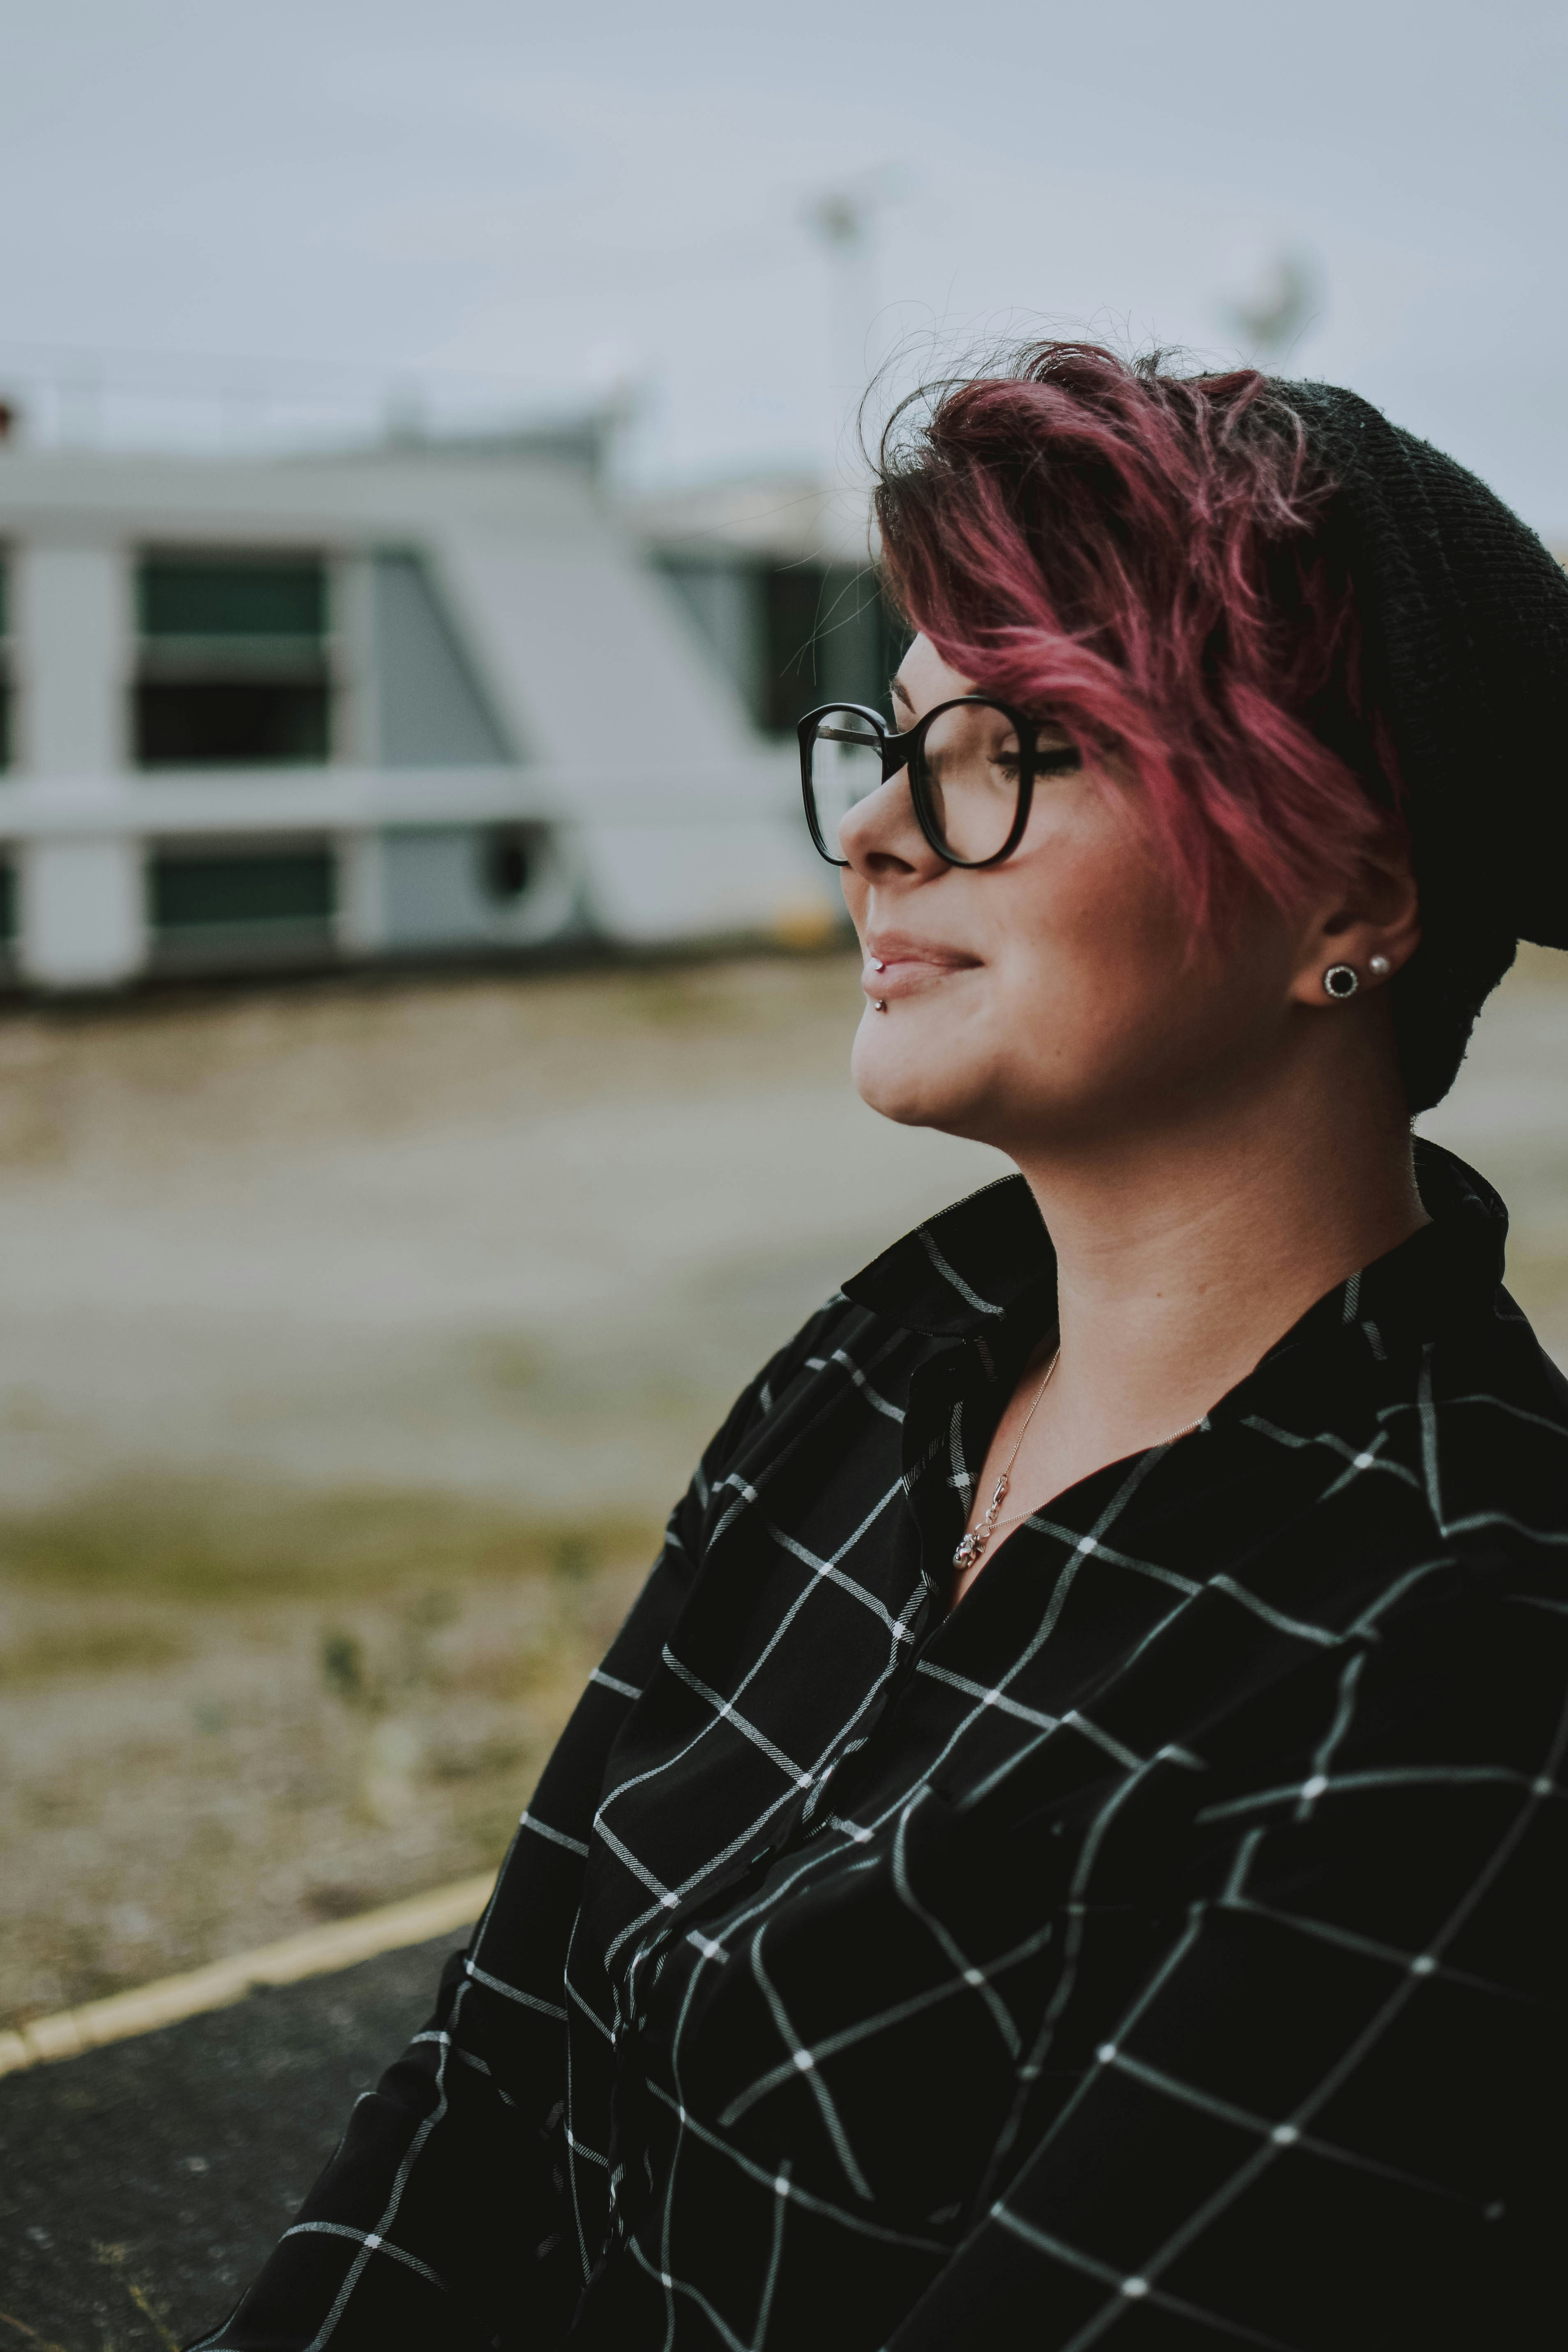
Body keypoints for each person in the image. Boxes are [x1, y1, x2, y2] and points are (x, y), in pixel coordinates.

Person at [193, 346, 1568, 2351]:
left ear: (1348, 891)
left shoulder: (1467, 1637)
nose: (878, 836)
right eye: (893, 737)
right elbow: (487, 2090)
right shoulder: (879, 1375)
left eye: (1027, 746)